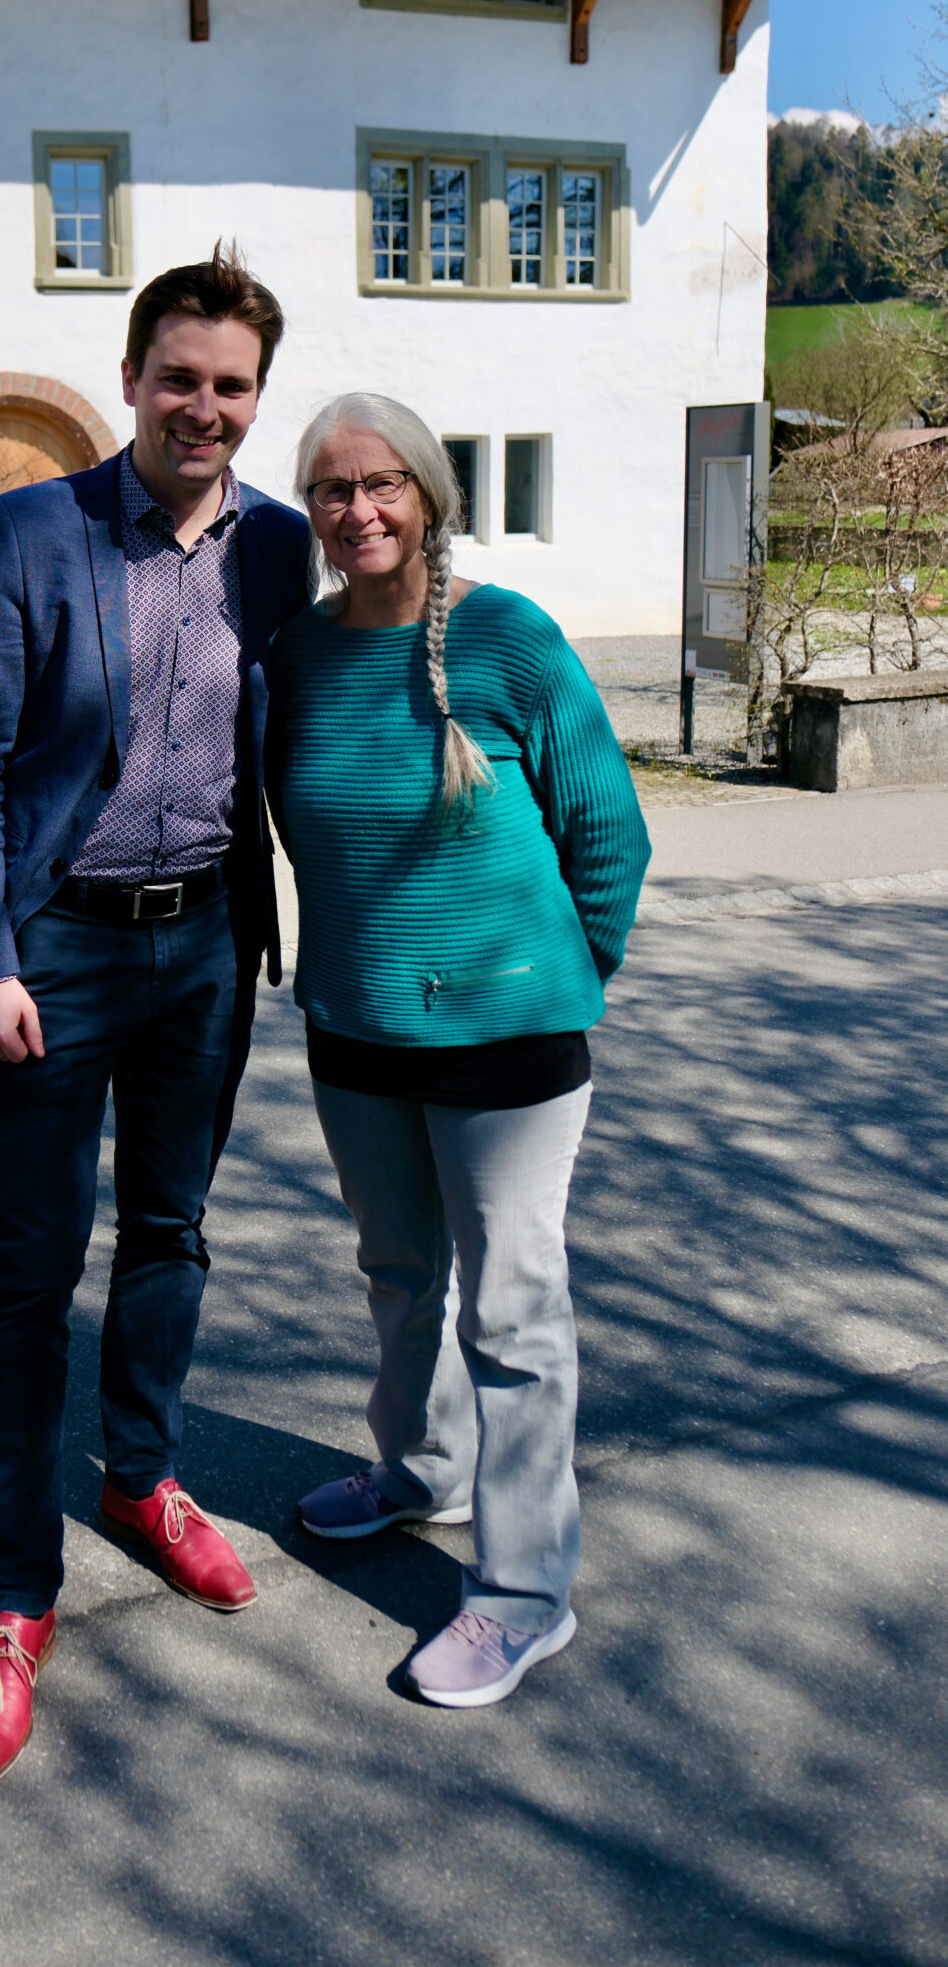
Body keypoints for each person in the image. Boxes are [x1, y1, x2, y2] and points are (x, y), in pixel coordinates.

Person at [0, 250, 312, 1785]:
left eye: (231, 387)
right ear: (136, 375)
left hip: (212, 937)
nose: (202, 407)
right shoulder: (37, 526)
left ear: (252, 399)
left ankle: (142, 1480)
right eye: (180, 378)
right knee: (30, 1269)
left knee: (175, 1229)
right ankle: (18, 1594)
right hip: (60, 948)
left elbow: (355, 689)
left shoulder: (280, 550)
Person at [266, 391, 649, 1708]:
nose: (357, 510)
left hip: (511, 1044)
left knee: (513, 1312)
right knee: (394, 1273)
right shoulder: (300, 655)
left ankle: (526, 1595)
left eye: (381, 485)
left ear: (428, 494)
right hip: (357, 1030)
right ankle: (417, 1475)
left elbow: (610, 835)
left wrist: (553, 981)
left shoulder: (508, 638)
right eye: (330, 490)